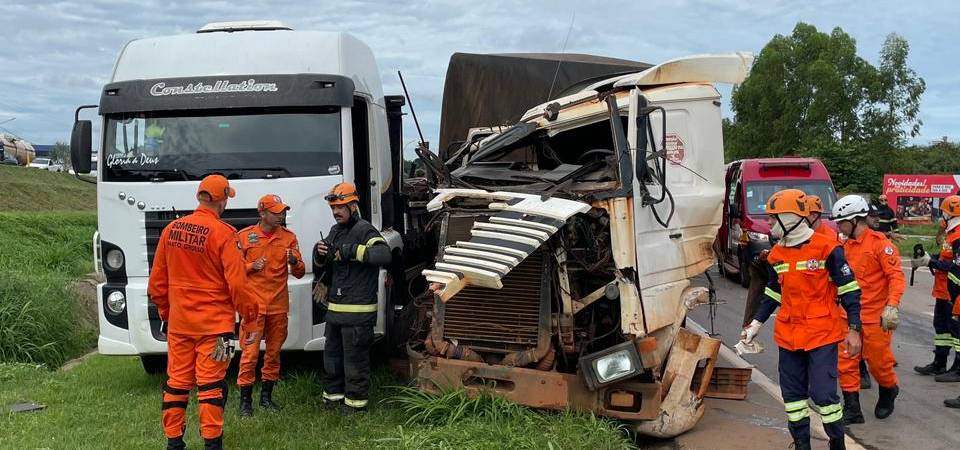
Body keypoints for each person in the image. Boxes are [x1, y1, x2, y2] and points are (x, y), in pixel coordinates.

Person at [739, 189, 861, 450]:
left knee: (824, 396)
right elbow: (773, 292)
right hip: (789, 335)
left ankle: (837, 443)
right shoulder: (776, 255)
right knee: (793, 398)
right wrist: (755, 324)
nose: (768, 223)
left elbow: (849, 289)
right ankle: (801, 444)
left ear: (789, 218)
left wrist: (854, 328)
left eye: (772, 218)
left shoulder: (828, 249)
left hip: (821, 334)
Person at [148, 174, 259, 450]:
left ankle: (174, 443)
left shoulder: (170, 230)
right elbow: (238, 285)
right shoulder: (224, 234)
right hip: (215, 329)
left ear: (200, 196)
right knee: (210, 386)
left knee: (176, 384)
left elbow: (156, 285)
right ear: (222, 200)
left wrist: (167, 314)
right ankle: (212, 445)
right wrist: (251, 317)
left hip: (179, 326)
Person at [313, 182, 391, 415]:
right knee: (332, 359)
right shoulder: (336, 230)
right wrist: (320, 254)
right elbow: (329, 262)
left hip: (357, 313)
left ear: (353, 206)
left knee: (354, 362)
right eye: (333, 208)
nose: (336, 212)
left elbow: (383, 254)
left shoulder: (365, 230)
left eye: (341, 207)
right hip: (336, 311)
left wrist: (353, 251)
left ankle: (355, 406)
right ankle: (332, 399)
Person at [831, 195, 904, 425]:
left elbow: (895, 277)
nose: (838, 227)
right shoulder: (843, 247)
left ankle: (889, 388)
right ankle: (852, 408)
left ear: (854, 220)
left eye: (841, 222)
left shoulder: (881, 245)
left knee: (879, 363)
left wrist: (892, 305)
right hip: (847, 315)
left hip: (875, 318)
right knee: (845, 362)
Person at [236, 194, 306, 417]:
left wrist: (294, 262)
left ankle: (266, 398)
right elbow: (233, 270)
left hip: (278, 306)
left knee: (273, 354)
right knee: (249, 354)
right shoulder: (244, 236)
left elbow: (300, 272)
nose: (281, 216)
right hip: (253, 307)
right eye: (276, 212)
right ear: (262, 213)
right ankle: (245, 402)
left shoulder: (289, 238)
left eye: (283, 212)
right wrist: (251, 267)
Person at [914, 195, 960, 389]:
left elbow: (955, 266)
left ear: (951, 214)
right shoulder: (951, 234)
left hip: (953, 292)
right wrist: (929, 258)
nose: (942, 216)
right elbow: (945, 257)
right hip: (943, 289)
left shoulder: (958, 236)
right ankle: (939, 363)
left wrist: (930, 262)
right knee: (941, 327)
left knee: (956, 331)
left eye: (944, 213)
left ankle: (957, 368)